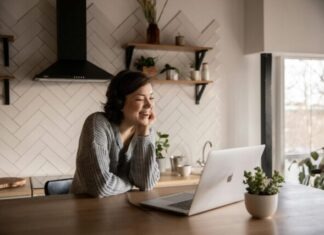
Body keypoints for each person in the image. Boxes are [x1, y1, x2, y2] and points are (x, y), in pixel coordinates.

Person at [71, 70, 160, 197]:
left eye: (151, 97)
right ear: (120, 102)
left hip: (122, 208)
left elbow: (146, 183)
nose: (149, 104)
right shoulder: (97, 123)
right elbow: (100, 186)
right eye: (139, 99)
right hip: (86, 208)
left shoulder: (145, 130)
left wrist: (144, 133)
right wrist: (129, 183)